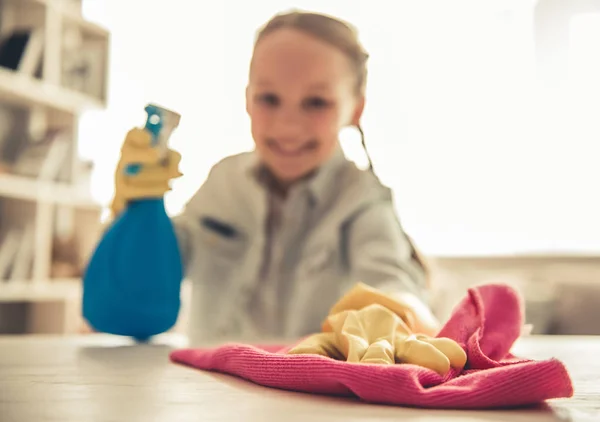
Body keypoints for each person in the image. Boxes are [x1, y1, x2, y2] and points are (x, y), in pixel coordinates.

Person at [83, 10, 440, 344]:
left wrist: (402, 316)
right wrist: (133, 210)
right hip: (213, 401)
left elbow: (392, 282)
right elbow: (148, 280)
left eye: (316, 102)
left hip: (310, 406)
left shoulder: (361, 200)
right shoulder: (223, 182)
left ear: (355, 109)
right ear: (247, 99)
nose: (287, 125)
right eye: (269, 98)